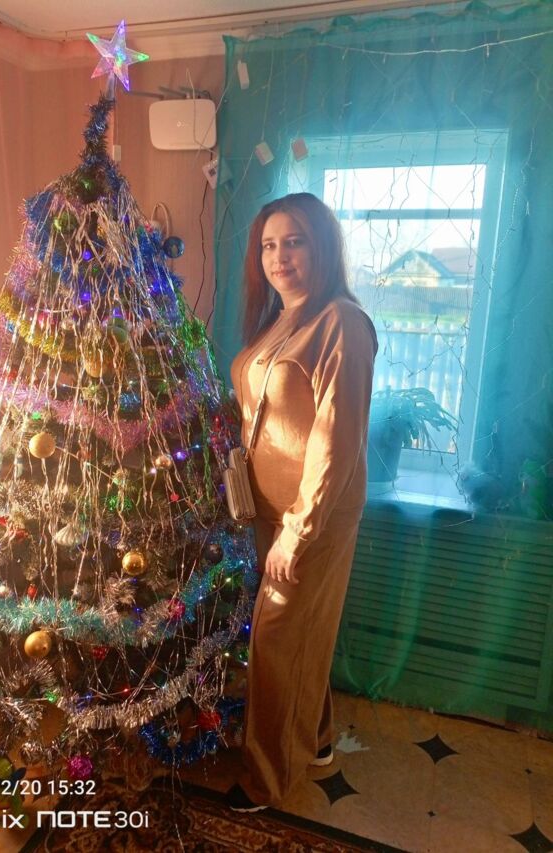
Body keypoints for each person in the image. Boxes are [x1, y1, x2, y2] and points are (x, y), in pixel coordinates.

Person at [226, 192, 378, 812]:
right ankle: (314, 740)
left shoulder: (342, 322)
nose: (279, 257)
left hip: (312, 516)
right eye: (269, 245)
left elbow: (335, 440)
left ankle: (268, 779)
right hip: (267, 509)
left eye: (294, 242)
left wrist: (299, 530)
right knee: (300, 632)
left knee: (277, 640)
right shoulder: (279, 320)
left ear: (322, 248)